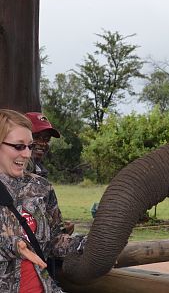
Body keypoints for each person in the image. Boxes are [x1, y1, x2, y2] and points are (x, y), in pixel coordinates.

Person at [0, 109, 85, 292]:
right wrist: (14, 245)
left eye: (29, 146)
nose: (27, 154)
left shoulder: (41, 187)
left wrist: (86, 243)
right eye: (18, 146)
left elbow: (53, 240)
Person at [24, 112, 60, 178]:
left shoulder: (40, 171)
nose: (42, 143)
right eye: (36, 137)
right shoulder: (8, 171)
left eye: (47, 139)